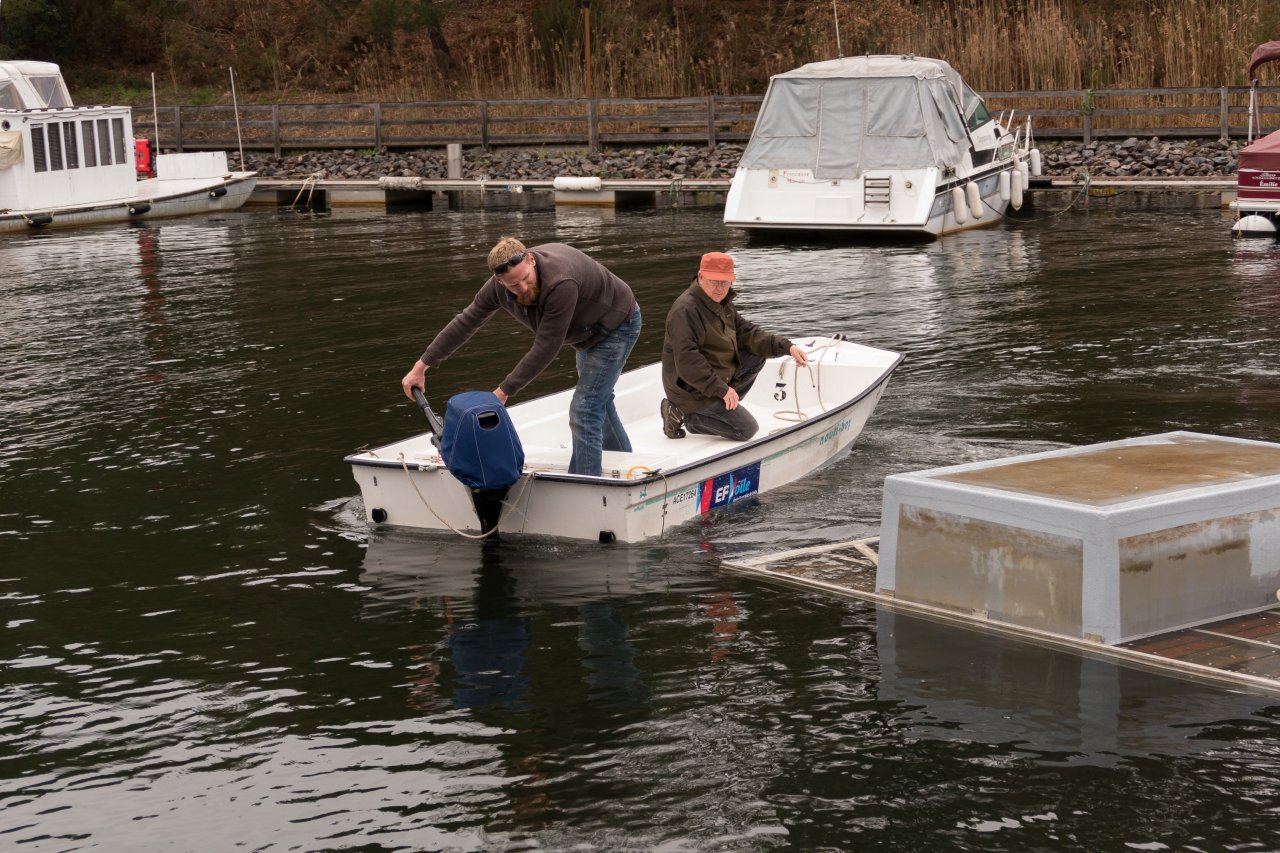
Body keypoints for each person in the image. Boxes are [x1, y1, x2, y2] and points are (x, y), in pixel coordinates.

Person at [401, 237, 641, 477]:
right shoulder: (498, 287)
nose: (523, 288)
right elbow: (466, 321)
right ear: (499, 281)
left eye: (526, 279)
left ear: (532, 260)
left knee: (585, 409)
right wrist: (421, 365)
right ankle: (626, 463)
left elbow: (546, 346)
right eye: (514, 286)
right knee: (598, 401)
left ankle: (588, 490)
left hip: (616, 325)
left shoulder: (560, 283)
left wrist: (503, 392)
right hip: (583, 332)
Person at [660, 251, 808, 441]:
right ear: (701, 277)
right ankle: (687, 416)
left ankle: (721, 406)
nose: (720, 288)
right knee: (746, 430)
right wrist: (722, 389)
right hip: (689, 389)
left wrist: (787, 347)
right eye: (715, 281)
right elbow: (689, 361)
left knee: (756, 355)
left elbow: (747, 333)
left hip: (710, 377)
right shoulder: (685, 310)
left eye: (725, 282)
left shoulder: (721, 303)